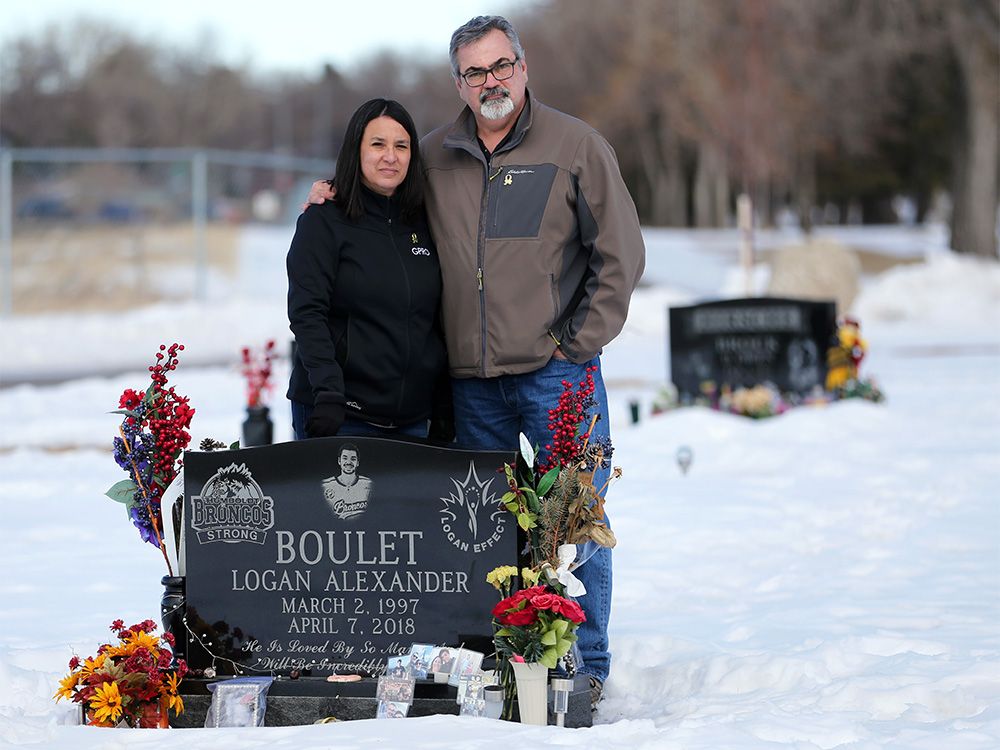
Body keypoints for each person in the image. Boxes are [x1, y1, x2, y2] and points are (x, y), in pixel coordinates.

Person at [307, 16, 645, 708]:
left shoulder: (575, 144)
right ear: (457, 82)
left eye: (501, 65)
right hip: (471, 386)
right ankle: (504, 657)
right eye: (474, 71)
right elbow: (381, 206)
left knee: (576, 522)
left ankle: (586, 664)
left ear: (523, 66)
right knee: (485, 531)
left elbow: (621, 254)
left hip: (558, 377)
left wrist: (576, 344)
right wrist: (334, 199)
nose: (490, 81)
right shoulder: (434, 156)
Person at [287, 98, 447, 441]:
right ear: (355, 150)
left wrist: (442, 401)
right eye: (378, 144)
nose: (390, 156)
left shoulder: (425, 222)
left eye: (401, 146)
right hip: (339, 413)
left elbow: (433, 319)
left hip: (412, 421)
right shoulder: (324, 220)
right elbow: (306, 312)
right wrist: (328, 391)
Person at [321, 443, 373, 518]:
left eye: (353, 459)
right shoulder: (325, 486)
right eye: (345, 458)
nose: (349, 462)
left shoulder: (369, 484)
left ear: (357, 462)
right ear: (339, 461)